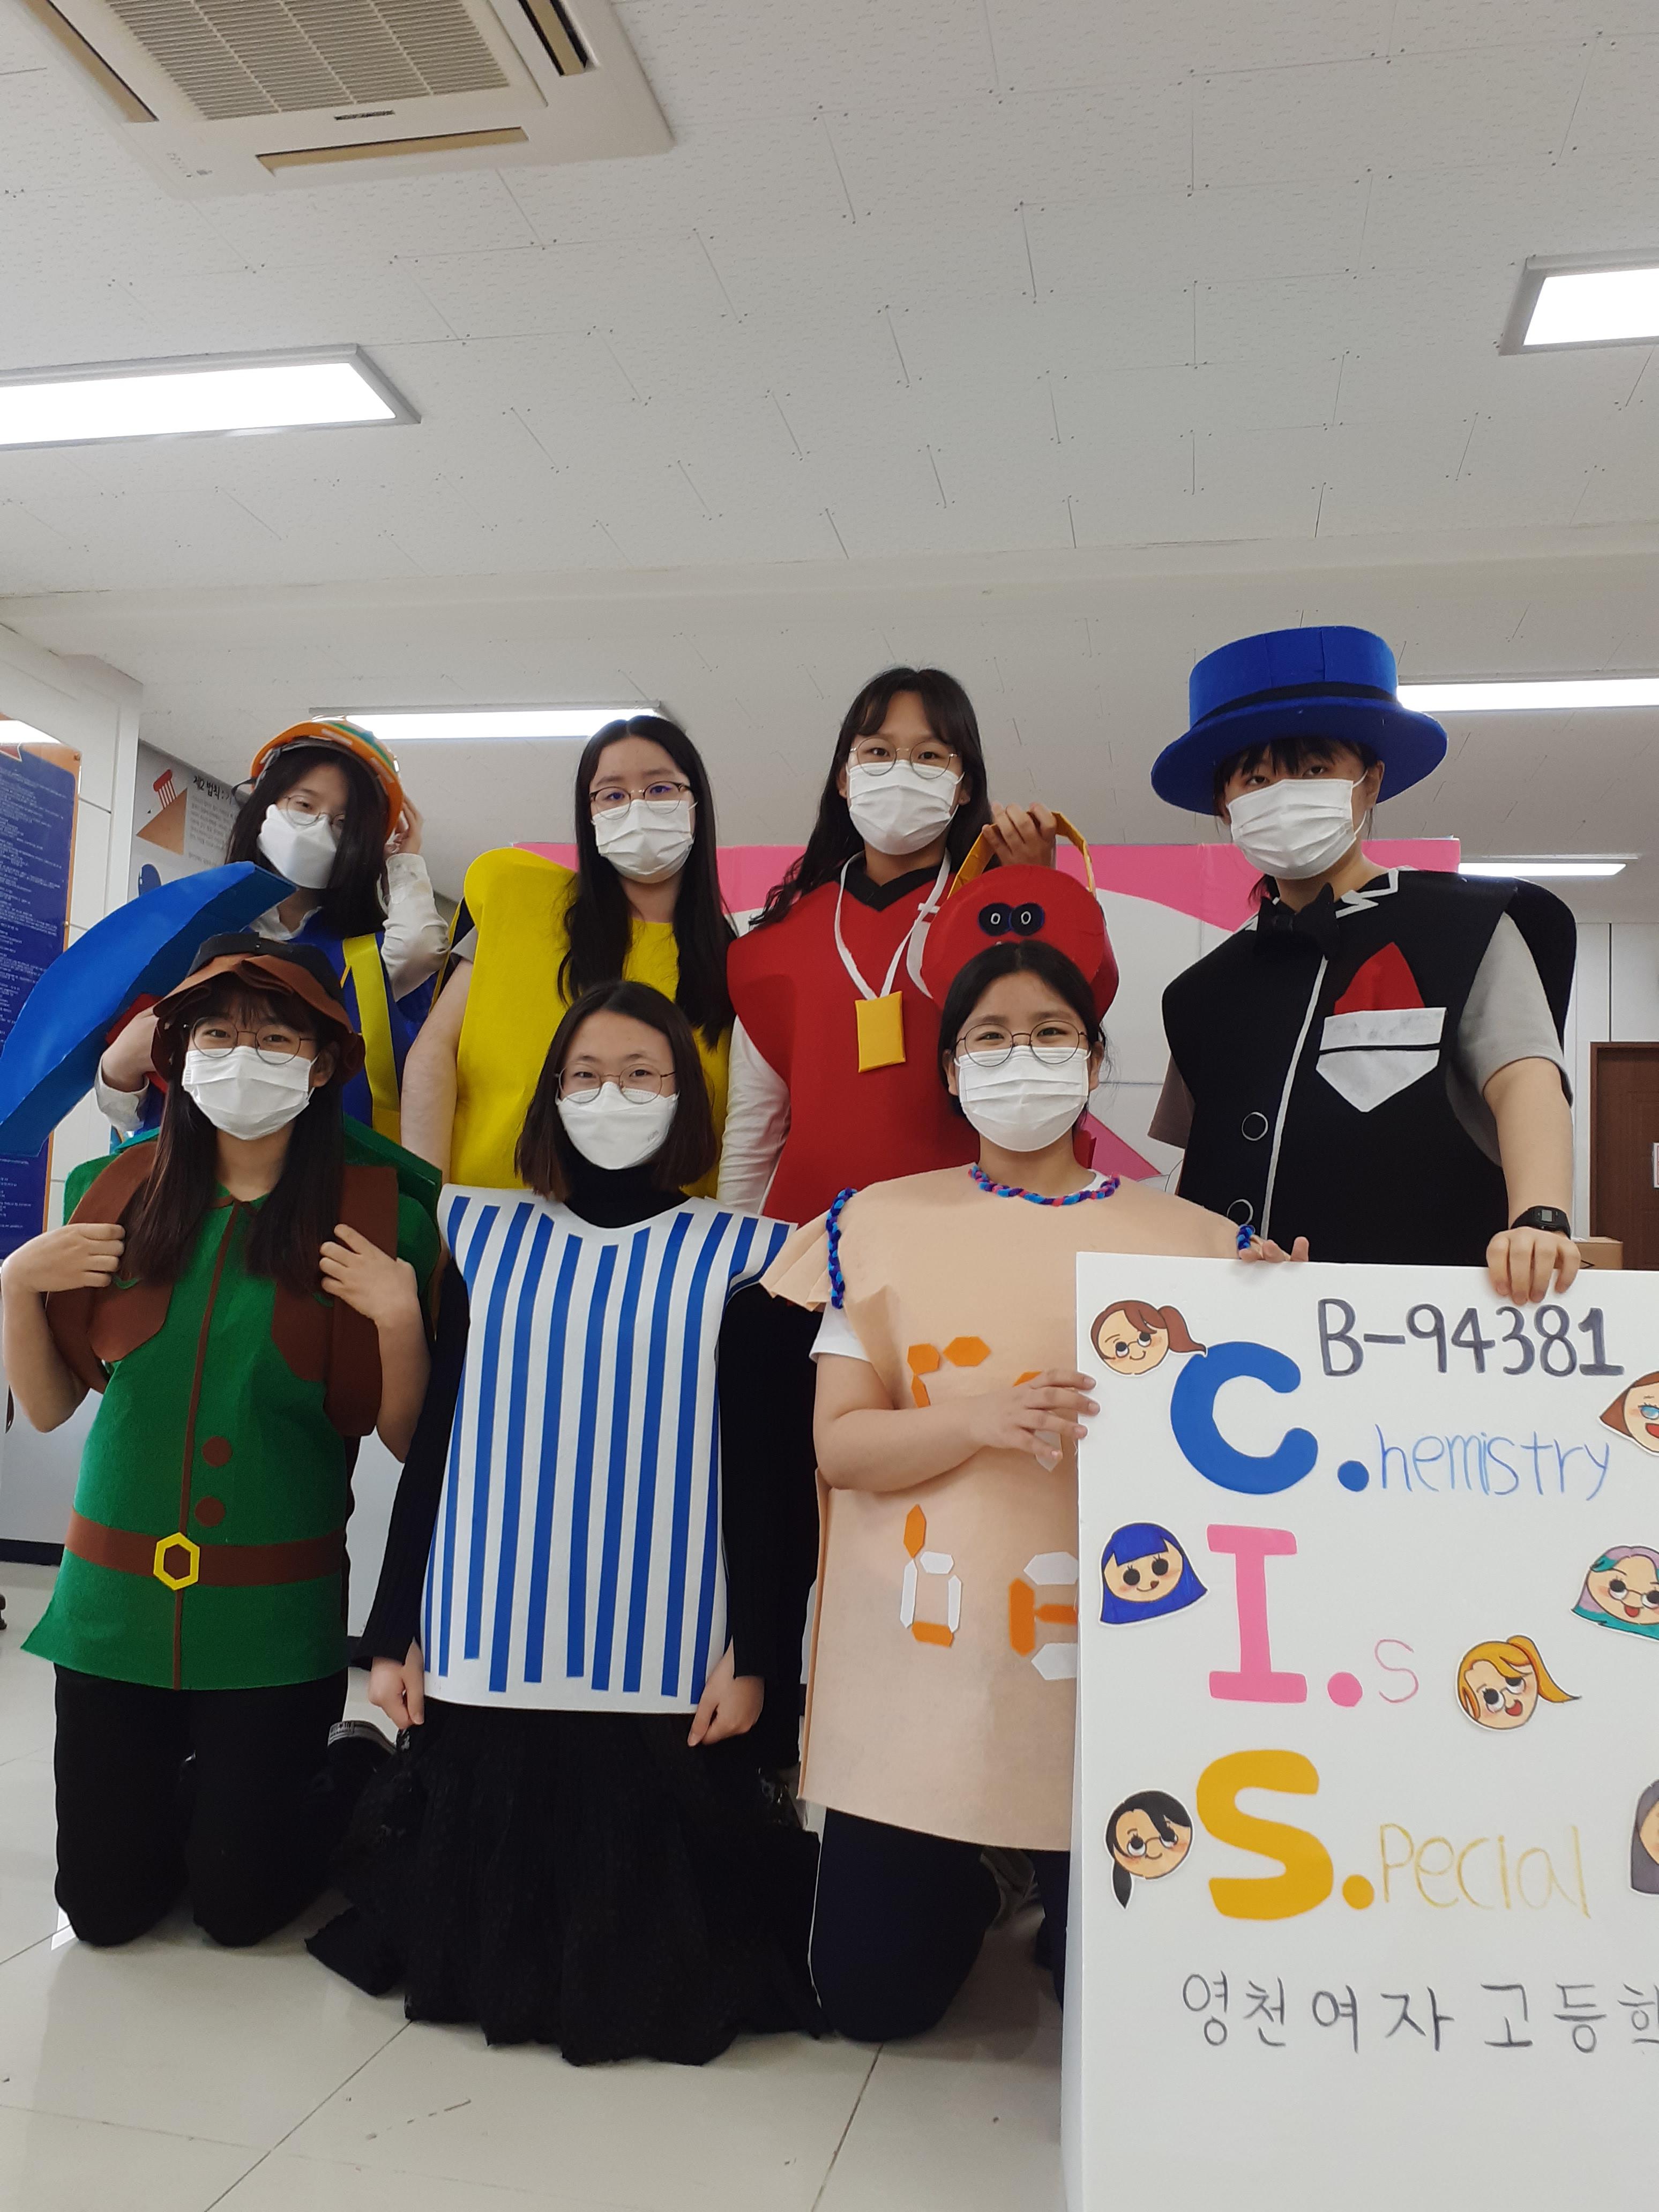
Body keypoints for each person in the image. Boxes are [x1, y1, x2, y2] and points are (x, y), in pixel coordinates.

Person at [761, 855, 1298, 2043]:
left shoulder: (1199, 1242)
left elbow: (1262, 1453)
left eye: (1052, 1032)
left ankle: (1043, 1889)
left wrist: (1290, 1320)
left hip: (1123, 1661)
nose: (1024, 1056)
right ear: (952, 1070)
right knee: (870, 2003)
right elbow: (841, 1448)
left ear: (1096, 1061)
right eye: (992, 1037)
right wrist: (977, 1419)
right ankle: (973, 1877)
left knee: (1118, 1997)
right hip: (923, 1666)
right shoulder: (876, 1221)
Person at [308, 980, 821, 2062]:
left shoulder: (745, 1258)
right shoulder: (482, 1235)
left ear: (684, 1097)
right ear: (548, 1094)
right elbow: (438, 1449)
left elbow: (768, 1482)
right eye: (585, 1075)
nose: (611, 1096)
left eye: (641, 1074)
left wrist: (760, 1659)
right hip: (491, 1631)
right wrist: (394, 1631)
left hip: (671, 1645)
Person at [2, 937, 438, 1948]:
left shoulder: (385, 1221)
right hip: (111, 1615)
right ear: (178, 1056)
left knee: (240, 1911)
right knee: (104, 1911)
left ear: (322, 1065)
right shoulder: (110, 1193)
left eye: (276, 1039)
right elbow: (53, 1405)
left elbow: (407, 1439)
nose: (243, 1057)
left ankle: (344, 1766)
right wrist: (17, 1284)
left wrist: (399, 1317)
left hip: (271, 1623)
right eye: (216, 1035)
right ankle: (206, 1794)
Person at [1149, 625, 1579, 1301]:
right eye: (1256, 778)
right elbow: (1201, 1156)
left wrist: (1541, 1217)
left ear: (1370, 781)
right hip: (1239, 1316)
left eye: (1314, 770)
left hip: (1419, 1318)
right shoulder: (1199, 991)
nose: (1284, 793)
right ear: (1225, 807)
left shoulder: (1465, 929)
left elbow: (1526, 1079)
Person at [718, 664, 1070, 1222]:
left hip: (971, 1230)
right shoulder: (777, 944)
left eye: (929, 755)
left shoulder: (1000, 924)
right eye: (878, 752)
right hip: (809, 1241)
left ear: (965, 786)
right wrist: (735, 1253)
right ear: (844, 778)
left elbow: (1064, 1053)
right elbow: (752, 1132)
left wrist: (1037, 894)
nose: (901, 771)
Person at [400, 714, 733, 1197]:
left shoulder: (733, 961)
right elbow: (434, 1055)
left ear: (696, 801)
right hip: (486, 1217)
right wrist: (428, 1203)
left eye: (660, 788)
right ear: (589, 812)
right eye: (612, 795)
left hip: (667, 1234)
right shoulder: (519, 901)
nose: (637, 807)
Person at [96, 721, 446, 1144]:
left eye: (342, 822)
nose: (319, 828)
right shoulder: (190, 936)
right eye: (304, 805)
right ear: (265, 803)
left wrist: (403, 864)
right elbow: (129, 1114)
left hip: (328, 1170)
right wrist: (119, 1063)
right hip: (192, 1169)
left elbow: (422, 947)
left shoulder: (363, 960)